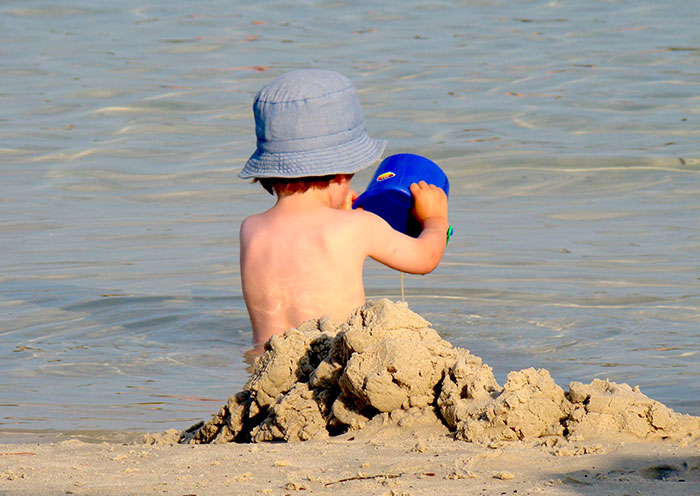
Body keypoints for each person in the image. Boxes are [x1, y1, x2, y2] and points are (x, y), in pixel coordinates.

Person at [239, 69, 449, 347]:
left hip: (263, 370)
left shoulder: (251, 228)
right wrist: (434, 218)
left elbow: (304, 245)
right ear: (341, 174)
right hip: (331, 368)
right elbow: (425, 258)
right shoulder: (358, 227)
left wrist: (338, 213)